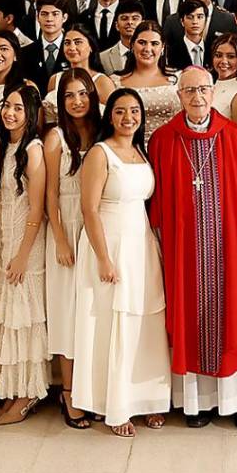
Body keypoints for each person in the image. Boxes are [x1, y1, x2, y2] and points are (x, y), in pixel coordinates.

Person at [147, 65, 237, 429]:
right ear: (179, 96)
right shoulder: (163, 140)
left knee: (233, 313)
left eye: (203, 89)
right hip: (184, 251)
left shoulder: (233, 136)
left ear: (213, 93)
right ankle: (197, 403)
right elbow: (159, 202)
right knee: (191, 318)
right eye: (189, 91)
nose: (197, 97)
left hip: (228, 248)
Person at [71, 88, 171, 437]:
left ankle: (147, 398)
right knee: (113, 323)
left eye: (134, 111)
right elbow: (89, 209)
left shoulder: (142, 152)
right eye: (120, 111)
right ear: (109, 116)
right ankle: (116, 405)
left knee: (145, 319)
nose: (128, 118)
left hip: (140, 243)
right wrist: (103, 258)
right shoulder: (100, 153)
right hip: (109, 242)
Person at [0, 84, 49, 425]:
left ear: (30, 114)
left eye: (18, 108)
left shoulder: (33, 149)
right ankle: (11, 392)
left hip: (26, 245)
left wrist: (24, 254)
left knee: (24, 320)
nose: (10, 113)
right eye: (7, 106)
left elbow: (37, 208)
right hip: (4, 240)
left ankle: (27, 394)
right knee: (8, 319)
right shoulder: (5, 145)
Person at [44, 69, 100, 428]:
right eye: (69, 95)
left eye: (82, 94)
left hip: (96, 227)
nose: (77, 101)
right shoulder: (56, 137)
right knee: (67, 310)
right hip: (65, 224)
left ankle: (92, 388)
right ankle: (68, 391)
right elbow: (49, 193)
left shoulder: (102, 133)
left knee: (93, 310)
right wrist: (61, 238)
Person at [119, 20, 180, 134]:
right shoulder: (115, 81)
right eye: (142, 42)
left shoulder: (178, 79)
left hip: (170, 142)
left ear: (162, 47)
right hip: (130, 143)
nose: (147, 49)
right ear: (132, 45)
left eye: (154, 43)